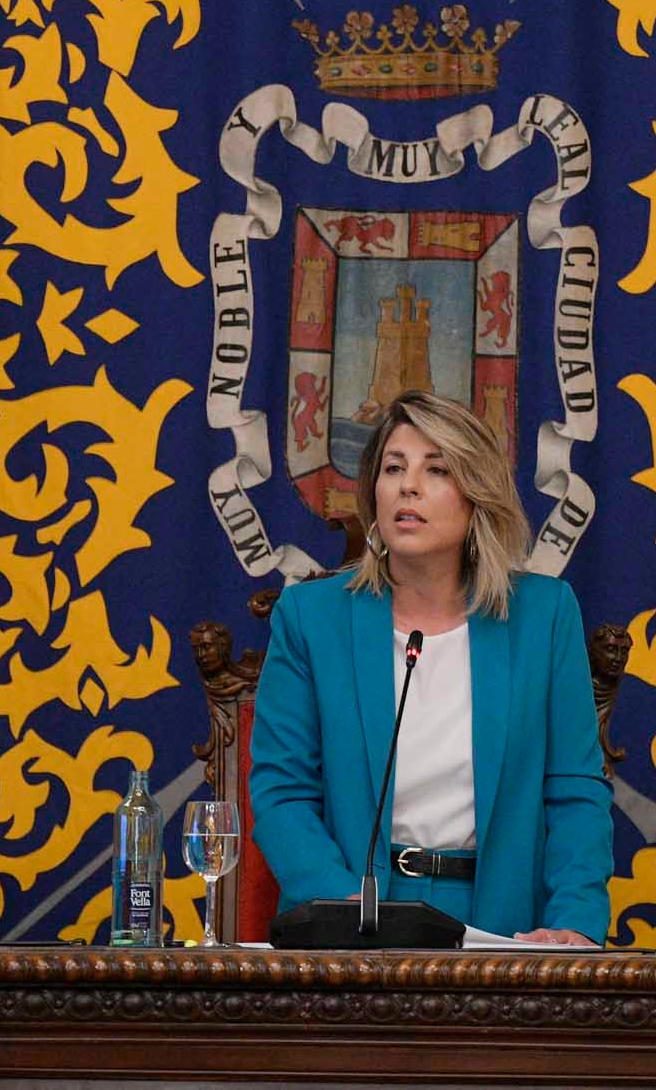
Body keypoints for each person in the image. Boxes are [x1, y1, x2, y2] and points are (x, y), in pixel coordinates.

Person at [249, 390, 613, 944]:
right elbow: (282, 791)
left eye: (436, 470)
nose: (407, 486)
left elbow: (576, 793)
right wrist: (343, 907)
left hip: (504, 925)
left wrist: (572, 924)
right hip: (356, 920)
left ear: (477, 497)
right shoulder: (310, 619)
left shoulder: (544, 616)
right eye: (393, 468)